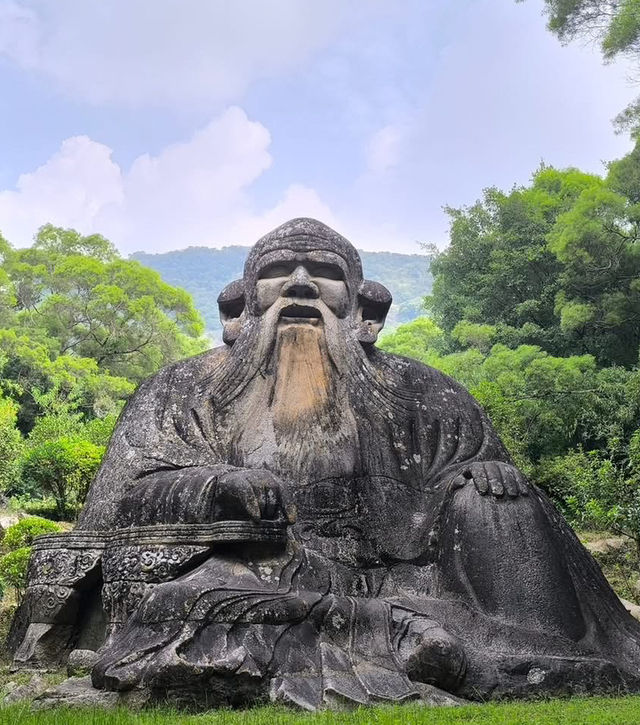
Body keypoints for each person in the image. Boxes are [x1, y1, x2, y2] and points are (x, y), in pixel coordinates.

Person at [13, 218, 640, 709]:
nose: (300, 284)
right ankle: (404, 638)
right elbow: (123, 502)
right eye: (278, 271)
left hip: (405, 578)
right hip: (257, 573)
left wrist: (478, 477)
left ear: (362, 311)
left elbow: (469, 484)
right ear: (242, 307)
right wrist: (216, 485)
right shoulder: (182, 390)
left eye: (324, 273)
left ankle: (532, 653)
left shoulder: (426, 395)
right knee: (191, 602)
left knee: (500, 499)